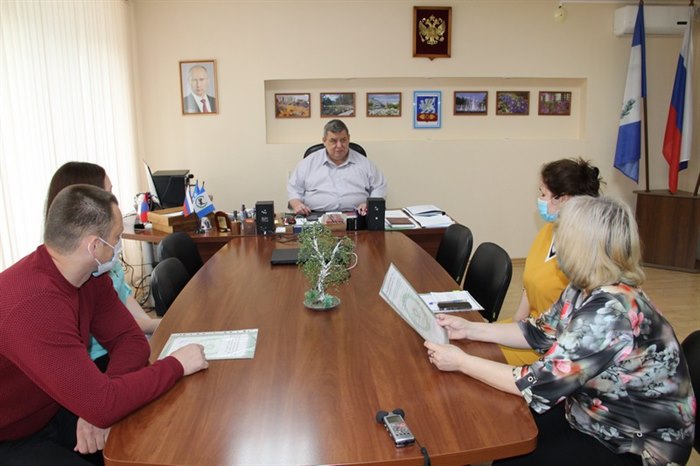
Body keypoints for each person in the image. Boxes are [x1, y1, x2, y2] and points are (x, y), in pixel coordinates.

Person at [424, 196, 695, 466]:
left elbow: (534, 383)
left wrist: (461, 361)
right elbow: (538, 332)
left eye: (561, 238)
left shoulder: (609, 314)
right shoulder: (582, 287)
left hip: (636, 447)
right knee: (506, 430)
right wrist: (471, 330)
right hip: (592, 412)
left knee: (513, 456)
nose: (556, 246)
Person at [0, 185, 208, 465]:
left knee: (145, 440)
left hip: (49, 407)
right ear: (94, 245)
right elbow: (103, 404)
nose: (119, 245)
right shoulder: (35, 305)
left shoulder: (89, 275)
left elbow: (131, 341)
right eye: (116, 237)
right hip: (10, 434)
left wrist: (99, 405)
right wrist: (177, 365)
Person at [46, 161, 161, 371]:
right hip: (99, 357)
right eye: (108, 194)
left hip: (120, 346)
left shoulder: (101, 265)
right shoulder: (75, 276)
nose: (114, 203)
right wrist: (155, 329)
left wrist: (154, 332)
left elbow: (125, 305)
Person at [500, 158, 601, 366]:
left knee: (478, 353)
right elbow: (530, 283)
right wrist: (516, 321)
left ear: (564, 199)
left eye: (544, 194)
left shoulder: (584, 252)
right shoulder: (549, 231)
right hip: (532, 327)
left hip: (555, 345)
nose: (540, 199)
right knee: (469, 341)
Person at [287, 119, 387, 216]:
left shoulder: (365, 163)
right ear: (324, 141)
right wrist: (297, 204)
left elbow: (379, 186)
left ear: (349, 138)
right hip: (315, 216)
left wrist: (370, 204)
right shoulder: (308, 163)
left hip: (357, 216)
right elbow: (294, 189)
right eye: (333, 141)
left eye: (343, 140)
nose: (339, 145)